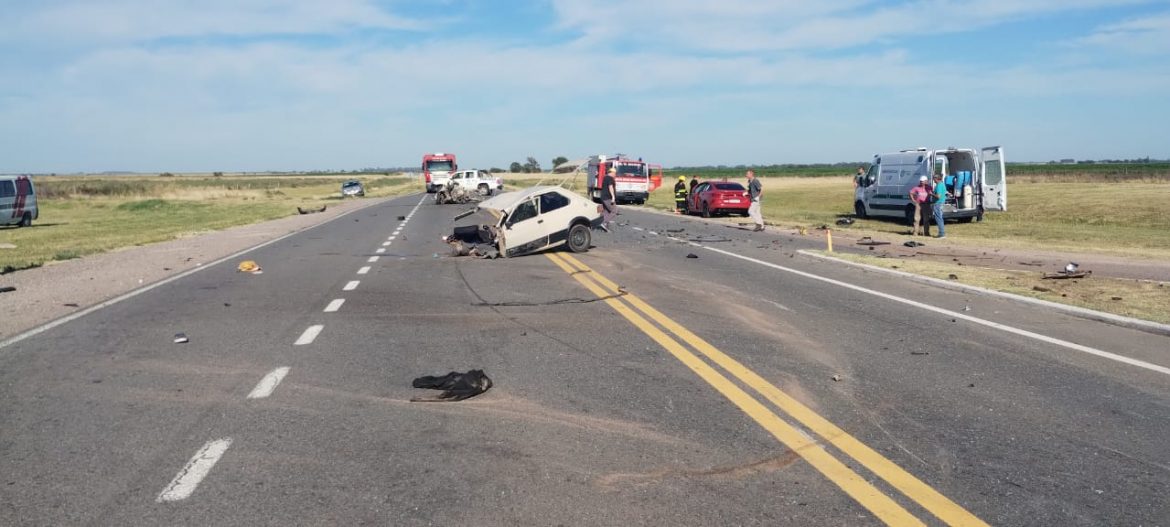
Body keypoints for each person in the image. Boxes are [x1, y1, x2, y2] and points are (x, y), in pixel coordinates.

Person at [599, 167, 618, 232]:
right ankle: (604, 223)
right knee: (614, 211)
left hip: (603, 197)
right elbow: (610, 187)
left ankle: (605, 227)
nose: (615, 175)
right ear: (612, 172)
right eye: (615, 173)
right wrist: (613, 197)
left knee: (606, 212)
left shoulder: (605, 177)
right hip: (608, 198)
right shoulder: (610, 178)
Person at [932, 171, 947, 238]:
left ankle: (942, 233)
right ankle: (942, 233)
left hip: (938, 203)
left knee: (938, 218)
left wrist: (931, 194)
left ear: (936, 178)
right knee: (940, 218)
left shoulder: (938, 185)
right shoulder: (942, 184)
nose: (933, 180)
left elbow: (938, 196)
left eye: (933, 179)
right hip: (941, 202)